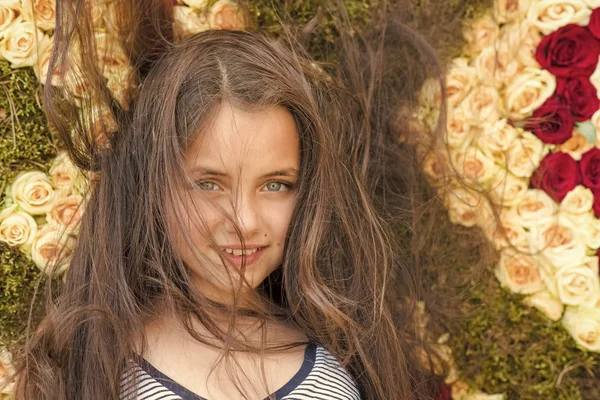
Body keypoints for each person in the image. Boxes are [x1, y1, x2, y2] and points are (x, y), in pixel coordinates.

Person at [11, 0, 451, 399]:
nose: (244, 220)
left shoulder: (336, 370)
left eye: (275, 184)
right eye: (209, 184)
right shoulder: (97, 365)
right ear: (152, 185)